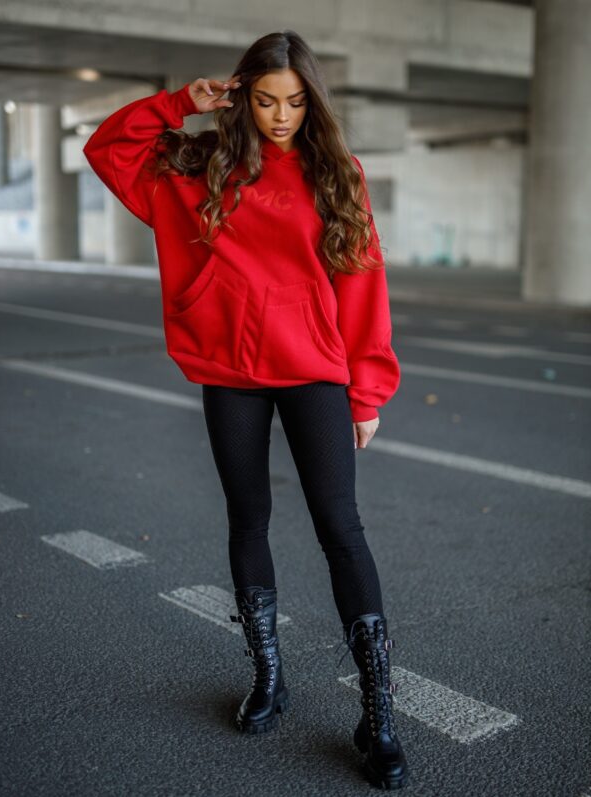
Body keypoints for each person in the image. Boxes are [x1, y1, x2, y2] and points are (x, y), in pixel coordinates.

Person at [83, 28, 408, 791]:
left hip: (315, 370)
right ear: (242, 98)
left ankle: (378, 713)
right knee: (247, 519)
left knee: (341, 528)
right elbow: (108, 150)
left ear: (312, 101)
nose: (281, 116)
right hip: (230, 370)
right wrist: (179, 103)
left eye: (295, 102)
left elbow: (363, 277)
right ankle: (268, 675)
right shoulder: (199, 166)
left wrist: (367, 389)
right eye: (265, 100)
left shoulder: (335, 171)